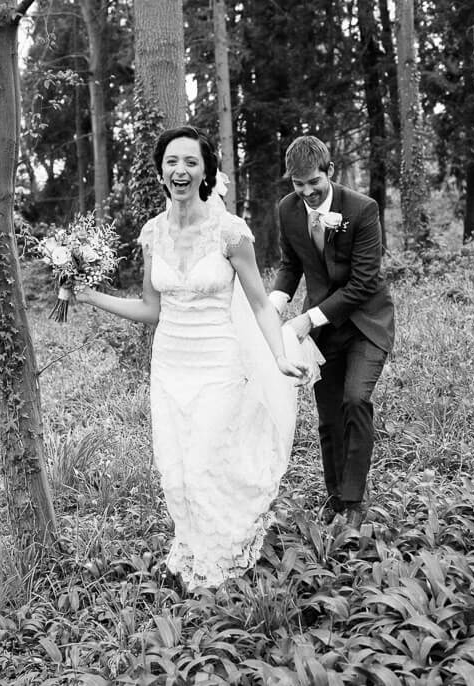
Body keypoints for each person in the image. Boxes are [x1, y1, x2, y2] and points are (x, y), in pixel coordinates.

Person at [79, 126, 316, 588]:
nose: (180, 170)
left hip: (217, 364)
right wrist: (90, 296)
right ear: (161, 171)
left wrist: (278, 357)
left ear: (207, 169)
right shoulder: (152, 232)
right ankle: (191, 548)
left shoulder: (230, 233)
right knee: (177, 471)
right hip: (169, 367)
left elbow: (260, 304)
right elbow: (151, 308)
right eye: (172, 161)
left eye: (190, 161)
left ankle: (218, 565)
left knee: (207, 461)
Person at [268, 135, 395, 528]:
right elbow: (291, 264)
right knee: (328, 416)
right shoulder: (287, 210)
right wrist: (273, 306)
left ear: (331, 172)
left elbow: (362, 283)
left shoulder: (362, 209)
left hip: (365, 323)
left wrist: (309, 318)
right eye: (297, 184)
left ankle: (355, 503)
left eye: (314, 183)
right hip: (323, 333)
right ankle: (336, 496)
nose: (306, 192)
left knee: (355, 400)